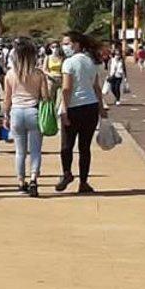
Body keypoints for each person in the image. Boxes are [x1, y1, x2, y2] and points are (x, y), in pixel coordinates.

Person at [56, 30, 105, 194]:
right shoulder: (91, 61)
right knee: (85, 148)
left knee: (66, 145)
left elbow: (66, 88)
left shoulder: (69, 63)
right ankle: (83, 182)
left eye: (67, 43)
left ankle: (67, 173)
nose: (65, 47)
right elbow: (96, 87)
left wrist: (64, 108)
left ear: (76, 44)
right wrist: (101, 108)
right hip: (90, 106)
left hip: (73, 107)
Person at [3, 36, 52, 196]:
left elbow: (7, 98)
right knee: (36, 150)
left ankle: (20, 181)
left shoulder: (10, 74)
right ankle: (33, 179)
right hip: (34, 111)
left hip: (16, 111)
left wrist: (5, 115)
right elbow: (45, 96)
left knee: (20, 151)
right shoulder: (38, 74)